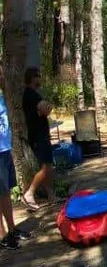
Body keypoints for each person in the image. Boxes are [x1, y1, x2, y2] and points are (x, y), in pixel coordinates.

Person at [21, 67, 55, 210]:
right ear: (33, 78)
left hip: (39, 136)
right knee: (46, 167)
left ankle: (51, 196)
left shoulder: (32, 94)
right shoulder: (31, 95)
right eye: (38, 76)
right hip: (38, 137)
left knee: (46, 166)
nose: (40, 79)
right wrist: (47, 106)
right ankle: (29, 194)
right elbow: (45, 109)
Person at [0, 93, 30, 249]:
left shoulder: (0, 96)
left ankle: (12, 229)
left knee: (5, 193)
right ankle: (2, 235)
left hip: (4, 150)